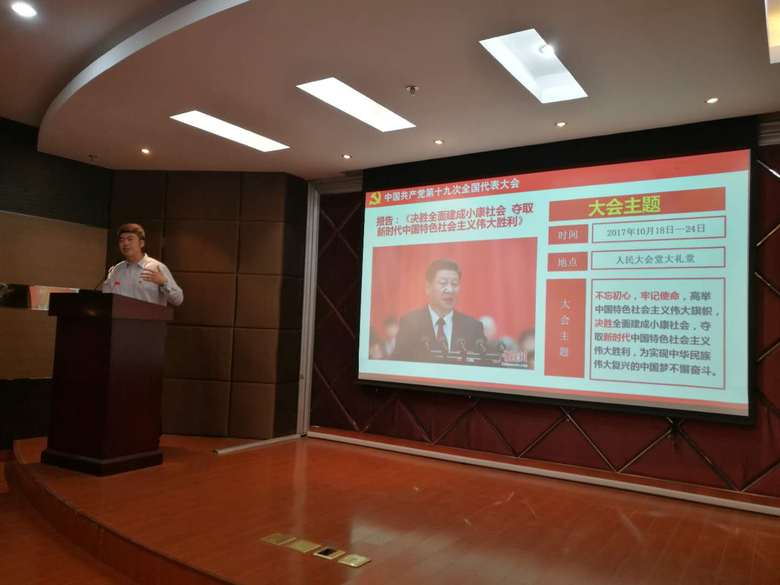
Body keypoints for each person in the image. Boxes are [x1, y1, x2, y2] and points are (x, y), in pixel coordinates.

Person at [393, 259, 484, 362]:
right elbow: (398, 363)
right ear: (428, 287)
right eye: (443, 283)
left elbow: (484, 364)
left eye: (454, 284)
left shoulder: (473, 327)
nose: (450, 290)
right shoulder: (410, 323)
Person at [102, 223, 183, 307]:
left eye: (130, 239)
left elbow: (178, 300)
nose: (125, 243)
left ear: (141, 243)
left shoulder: (156, 267)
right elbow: (106, 298)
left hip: (149, 315)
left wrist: (164, 283)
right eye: (121, 240)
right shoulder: (117, 270)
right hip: (119, 315)